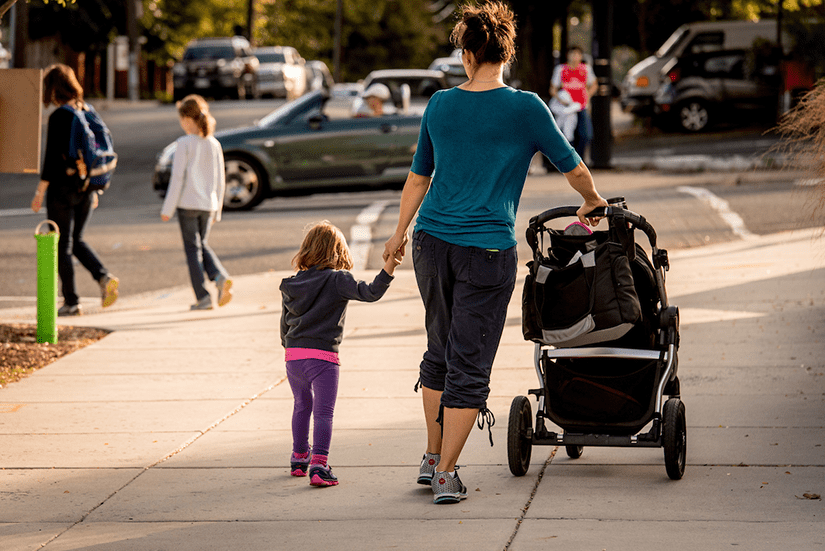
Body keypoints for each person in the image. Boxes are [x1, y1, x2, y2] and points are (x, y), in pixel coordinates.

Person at [382, 1, 608, 505]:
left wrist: (398, 234)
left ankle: (430, 456)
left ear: (467, 53)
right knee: (470, 359)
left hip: (430, 244)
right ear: (506, 53)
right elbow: (571, 167)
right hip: (485, 250)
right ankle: (446, 474)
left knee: (438, 345)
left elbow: (419, 176)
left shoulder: (440, 104)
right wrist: (592, 200)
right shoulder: (526, 107)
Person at [281, 221, 401, 487]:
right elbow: (370, 293)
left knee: (301, 405)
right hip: (323, 358)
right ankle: (319, 466)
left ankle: (299, 458)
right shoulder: (337, 280)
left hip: (293, 356)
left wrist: (290, 351)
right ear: (338, 251)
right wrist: (390, 267)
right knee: (324, 413)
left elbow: (284, 325)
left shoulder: (291, 283)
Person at [31, 64, 119, 317]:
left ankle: (72, 301)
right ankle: (103, 277)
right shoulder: (87, 110)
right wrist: (95, 189)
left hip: (62, 189)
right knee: (76, 240)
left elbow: (51, 160)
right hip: (88, 188)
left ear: (53, 89)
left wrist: (39, 192)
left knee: (61, 245)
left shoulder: (61, 116)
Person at [160, 94, 233, 311]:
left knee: (193, 250)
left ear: (186, 119)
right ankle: (219, 277)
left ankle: (202, 296)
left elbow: (177, 178)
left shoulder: (183, 144)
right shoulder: (214, 144)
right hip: (208, 205)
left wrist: (167, 209)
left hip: (187, 204)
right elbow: (221, 179)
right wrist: (217, 209)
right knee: (202, 245)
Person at [550, 45, 598, 159]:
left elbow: (594, 84)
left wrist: (588, 95)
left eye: (578, 54)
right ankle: (569, 160)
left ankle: (578, 159)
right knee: (567, 134)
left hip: (581, 106)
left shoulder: (586, 69)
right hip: (567, 107)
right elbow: (553, 89)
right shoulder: (561, 69)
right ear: (568, 55)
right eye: (573, 54)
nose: (575, 57)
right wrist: (561, 100)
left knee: (586, 135)